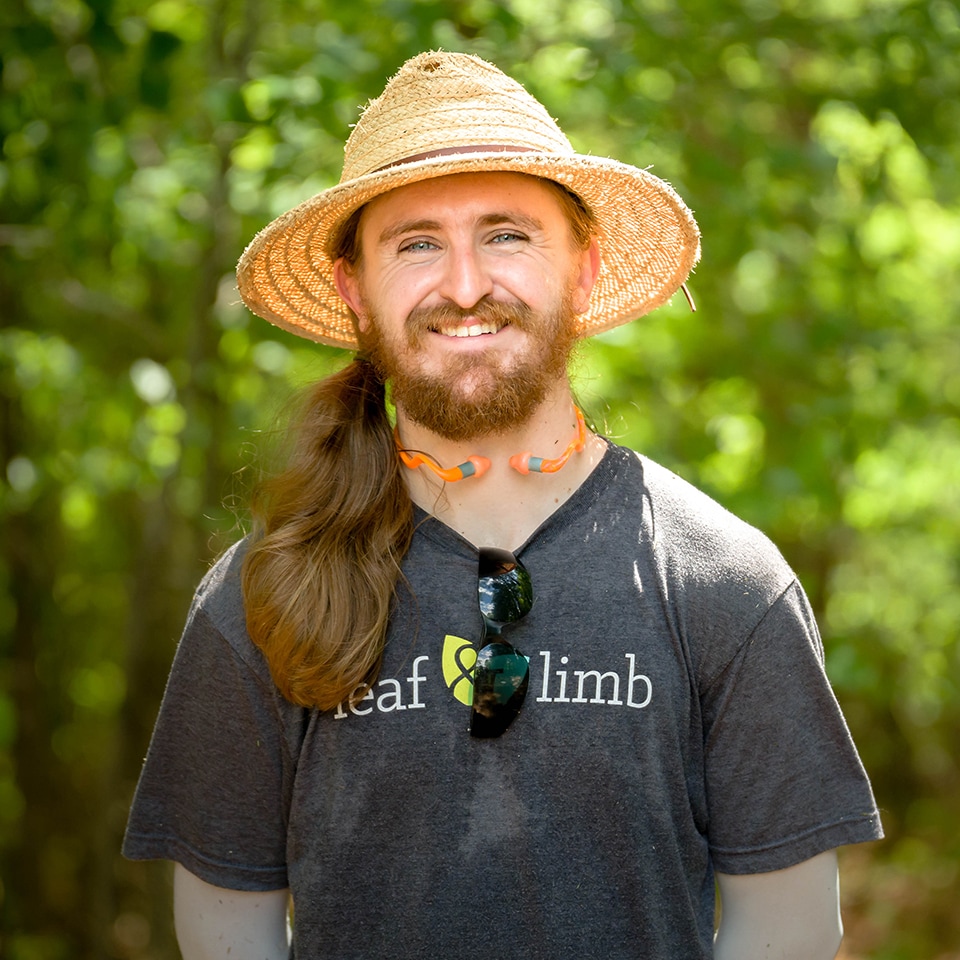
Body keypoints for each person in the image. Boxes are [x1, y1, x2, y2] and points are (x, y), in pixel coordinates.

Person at [123, 51, 882, 959]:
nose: (465, 283)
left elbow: (788, 932)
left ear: (585, 269)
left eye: (508, 234)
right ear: (354, 292)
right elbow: (224, 933)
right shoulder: (258, 594)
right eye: (416, 243)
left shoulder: (724, 584)